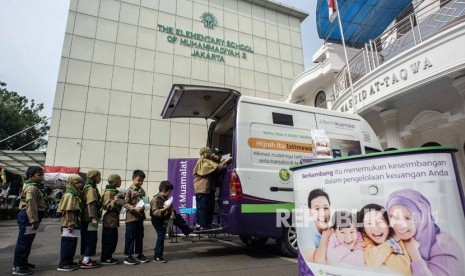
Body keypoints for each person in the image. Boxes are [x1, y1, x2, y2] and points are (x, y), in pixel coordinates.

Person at [387, 189, 465, 275]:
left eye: (407, 218)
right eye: (393, 217)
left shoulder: (444, 245)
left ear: (422, 218)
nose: (399, 225)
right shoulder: (396, 239)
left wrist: (414, 253)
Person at [357, 203, 411, 275]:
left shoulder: (397, 235)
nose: (376, 227)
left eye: (380, 221)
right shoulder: (366, 237)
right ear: (364, 229)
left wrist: (380, 254)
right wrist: (390, 243)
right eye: (369, 223)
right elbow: (372, 261)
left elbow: (404, 268)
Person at [12, 166, 46, 276]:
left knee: (28, 242)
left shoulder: (35, 187)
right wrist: (33, 220)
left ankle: (23, 262)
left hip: (30, 216)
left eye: (42, 175)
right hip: (28, 216)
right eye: (39, 175)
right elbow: (31, 205)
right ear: (31, 176)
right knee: (23, 242)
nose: (41, 177)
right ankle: (18, 266)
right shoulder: (31, 188)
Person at [150, 180, 193, 263]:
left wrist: (172, 213)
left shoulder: (165, 198)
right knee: (161, 236)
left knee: (177, 217)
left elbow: (171, 207)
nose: (170, 193)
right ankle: (157, 257)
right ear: (164, 190)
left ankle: (187, 231)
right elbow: (155, 212)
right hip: (157, 220)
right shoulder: (156, 199)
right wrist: (165, 209)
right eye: (169, 191)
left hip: (165, 217)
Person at [193, 147, 231, 230]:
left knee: (209, 207)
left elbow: (217, 167)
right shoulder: (203, 162)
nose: (211, 154)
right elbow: (217, 167)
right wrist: (227, 161)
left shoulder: (208, 161)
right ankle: (202, 225)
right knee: (202, 207)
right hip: (202, 189)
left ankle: (207, 224)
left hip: (208, 189)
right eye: (209, 152)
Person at [57, 174, 84, 272]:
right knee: (67, 243)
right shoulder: (70, 195)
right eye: (78, 183)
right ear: (72, 183)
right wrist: (71, 223)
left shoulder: (75, 194)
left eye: (81, 182)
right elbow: (69, 210)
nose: (81, 184)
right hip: (68, 223)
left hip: (73, 222)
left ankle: (69, 261)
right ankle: (64, 263)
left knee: (72, 243)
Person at [123, 170, 148, 265]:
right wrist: (133, 208)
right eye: (138, 180)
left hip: (140, 217)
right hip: (131, 217)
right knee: (130, 236)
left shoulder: (142, 191)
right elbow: (125, 203)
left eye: (142, 181)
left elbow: (146, 202)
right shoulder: (129, 190)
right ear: (133, 179)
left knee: (139, 236)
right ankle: (128, 256)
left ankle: (139, 254)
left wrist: (145, 206)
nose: (140, 182)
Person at [79, 169, 102, 269]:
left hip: (86, 218)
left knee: (87, 238)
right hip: (89, 218)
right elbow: (91, 204)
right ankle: (86, 260)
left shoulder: (87, 187)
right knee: (91, 238)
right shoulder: (91, 189)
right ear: (93, 177)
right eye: (99, 176)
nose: (100, 178)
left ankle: (85, 258)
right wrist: (93, 217)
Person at [303, 188, 331, 264]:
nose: (322, 214)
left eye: (326, 208)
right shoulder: (305, 232)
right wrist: (326, 234)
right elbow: (315, 263)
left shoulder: (333, 228)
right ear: (310, 211)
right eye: (317, 209)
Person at [100, 174, 123, 265]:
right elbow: (106, 206)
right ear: (116, 181)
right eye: (120, 180)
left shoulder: (116, 191)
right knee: (108, 240)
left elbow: (119, 205)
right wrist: (115, 200)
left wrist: (121, 200)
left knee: (113, 240)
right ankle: (105, 258)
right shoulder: (109, 192)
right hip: (109, 220)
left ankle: (109, 256)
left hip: (114, 219)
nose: (120, 182)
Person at [207, 147, 226, 227]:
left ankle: (215, 222)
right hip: (211, 187)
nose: (219, 156)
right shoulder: (210, 163)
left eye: (220, 155)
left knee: (217, 203)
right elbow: (215, 172)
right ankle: (212, 222)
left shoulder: (219, 163)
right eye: (218, 154)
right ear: (213, 154)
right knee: (213, 204)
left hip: (218, 186)